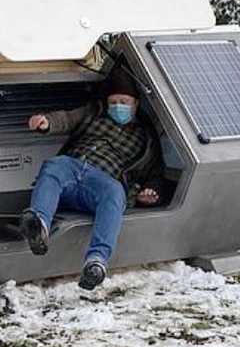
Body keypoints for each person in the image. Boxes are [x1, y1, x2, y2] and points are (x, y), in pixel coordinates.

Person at [18, 70, 164, 291]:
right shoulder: (93, 113)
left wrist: (150, 191)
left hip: (102, 183)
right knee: (54, 165)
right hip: (72, 168)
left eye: (123, 102)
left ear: (135, 104)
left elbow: (155, 173)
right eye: (113, 102)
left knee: (115, 192)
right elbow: (67, 119)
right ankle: (39, 226)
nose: (117, 106)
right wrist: (46, 122)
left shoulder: (145, 139)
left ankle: (96, 262)